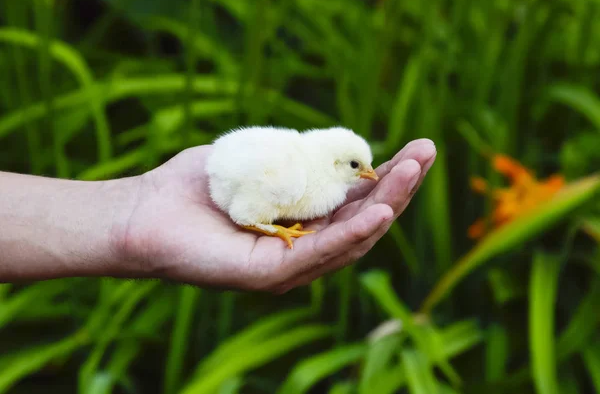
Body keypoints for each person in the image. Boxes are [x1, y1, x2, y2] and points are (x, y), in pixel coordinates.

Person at [0, 139, 436, 293]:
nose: (367, 176)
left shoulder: (308, 166)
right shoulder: (300, 178)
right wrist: (270, 227)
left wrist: (129, 210)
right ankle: (265, 225)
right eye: (357, 168)